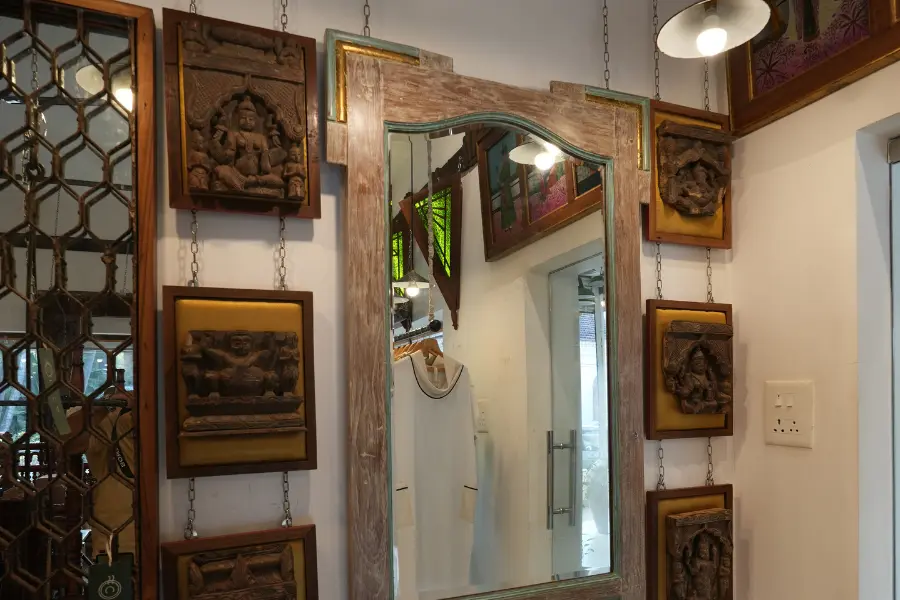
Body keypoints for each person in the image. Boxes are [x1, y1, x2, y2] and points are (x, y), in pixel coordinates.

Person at [64, 369, 136, 559]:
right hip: (117, 539)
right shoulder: (111, 416)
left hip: (168, 530)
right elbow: (66, 442)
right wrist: (105, 405)